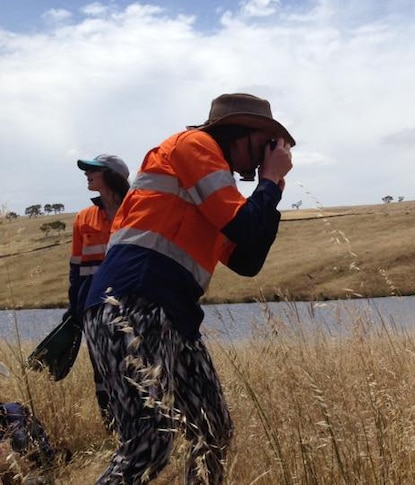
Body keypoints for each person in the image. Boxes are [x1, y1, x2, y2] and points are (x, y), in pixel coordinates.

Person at [82, 93, 295, 484]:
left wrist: (274, 187)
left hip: (173, 315)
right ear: (240, 133)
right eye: (265, 142)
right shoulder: (194, 146)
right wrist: (266, 181)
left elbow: (248, 261)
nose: (268, 152)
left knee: (212, 432)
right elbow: (245, 228)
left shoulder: (217, 191)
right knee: (148, 445)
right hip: (131, 303)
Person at [70, 154, 131, 430]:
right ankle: (113, 429)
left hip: (132, 304)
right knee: (101, 369)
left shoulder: (136, 211)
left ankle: (143, 426)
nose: (87, 174)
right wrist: (74, 307)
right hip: (93, 307)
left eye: (93, 170)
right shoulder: (83, 218)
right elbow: (76, 267)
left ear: (112, 176)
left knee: (137, 364)